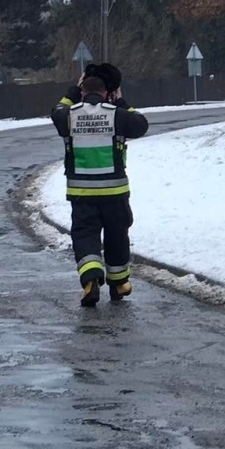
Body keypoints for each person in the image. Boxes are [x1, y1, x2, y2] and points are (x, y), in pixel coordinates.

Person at [51, 63, 149, 307]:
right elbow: (141, 124)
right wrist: (121, 101)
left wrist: (74, 90)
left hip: (81, 192)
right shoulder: (117, 114)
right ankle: (119, 284)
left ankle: (91, 280)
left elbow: (57, 110)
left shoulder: (69, 115)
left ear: (83, 92)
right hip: (115, 193)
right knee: (117, 236)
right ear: (108, 93)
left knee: (85, 236)